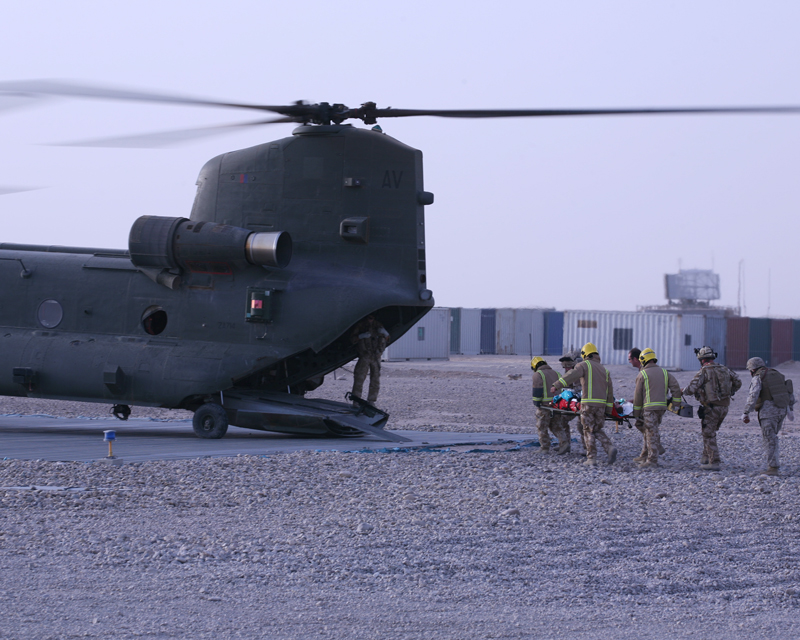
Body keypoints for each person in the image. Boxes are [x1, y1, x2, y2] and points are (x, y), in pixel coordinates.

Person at [551, 342, 617, 465]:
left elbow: (570, 375)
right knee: (596, 429)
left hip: (588, 404)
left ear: (585, 354)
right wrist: (608, 410)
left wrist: (557, 385)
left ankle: (591, 458)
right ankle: (609, 447)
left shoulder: (583, 365)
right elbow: (609, 392)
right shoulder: (605, 370)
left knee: (587, 429)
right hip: (601, 405)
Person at [681, 346, 742, 471]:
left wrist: (682, 391)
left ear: (701, 359)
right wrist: (731, 392)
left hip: (711, 407)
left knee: (708, 433)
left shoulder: (704, 371)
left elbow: (691, 389)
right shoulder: (725, 369)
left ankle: (714, 461)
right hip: (724, 407)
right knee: (710, 431)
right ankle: (706, 457)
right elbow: (738, 382)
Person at [741, 357, 795, 476]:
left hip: (768, 412)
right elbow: (789, 391)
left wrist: (746, 412)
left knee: (769, 439)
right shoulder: (777, 374)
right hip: (782, 411)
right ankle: (773, 464)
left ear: (752, 369)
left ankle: (773, 468)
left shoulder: (758, 377)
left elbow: (753, 395)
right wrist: (790, 409)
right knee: (773, 437)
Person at [632, 348, 682, 468]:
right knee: (650, 430)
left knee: (650, 432)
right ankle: (644, 455)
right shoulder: (665, 372)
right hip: (661, 408)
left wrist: (636, 412)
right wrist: (676, 404)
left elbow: (638, 395)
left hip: (649, 408)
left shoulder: (642, 374)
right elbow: (675, 387)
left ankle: (652, 460)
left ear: (643, 360)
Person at [530, 357, 569, 454]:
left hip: (545, 406)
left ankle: (544, 448)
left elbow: (537, 390)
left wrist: (537, 403)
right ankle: (564, 443)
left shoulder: (538, 374)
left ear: (535, 366)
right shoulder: (557, 373)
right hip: (558, 405)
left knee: (542, 426)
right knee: (556, 425)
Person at [351, 315, 390, 404]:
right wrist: (361, 336)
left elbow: (388, 339)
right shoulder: (360, 325)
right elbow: (352, 339)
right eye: (369, 317)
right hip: (365, 356)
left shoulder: (379, 325)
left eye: (372, 317)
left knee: (375, 380)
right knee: (359, 379)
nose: (371, 319)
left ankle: (371, 401)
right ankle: (356, 401)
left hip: (376, 356)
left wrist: (385, 333)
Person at [557, 350, 584, 453]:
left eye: (568, 366)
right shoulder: (567, 373)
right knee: (562, 420)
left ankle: (587, 449)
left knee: (582, 426)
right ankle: (565, 444)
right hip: (573, 402)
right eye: (564, 367)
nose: (566, 369)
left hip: (583, 403)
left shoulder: (580, 372)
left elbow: (581, 389)